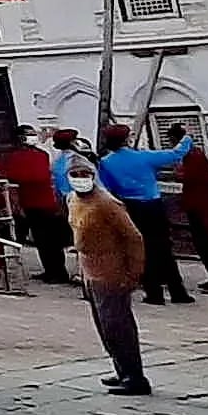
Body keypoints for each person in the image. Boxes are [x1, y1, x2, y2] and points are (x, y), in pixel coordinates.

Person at [66, 159, 152, 396]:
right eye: (75, 173)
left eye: (85, 173)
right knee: (104, 325)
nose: (80, 177)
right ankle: (121, 369)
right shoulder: (72, 199)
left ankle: (135, 376)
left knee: (118, 324)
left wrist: (134, 272)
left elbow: (134, 238)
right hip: (89, 270)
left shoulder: (107, 203)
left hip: (112, 271)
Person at [92, 125, 192, 306]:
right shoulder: (144, 157)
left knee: (140, 249)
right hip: (153, 206)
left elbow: (107, 188)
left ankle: (154, 293)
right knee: (163, 249)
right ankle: (178, 292)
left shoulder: (106, 162)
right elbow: (176, 153)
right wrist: (186, 137)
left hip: (131, 207)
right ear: (127, 139)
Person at [0, 132, 70, 284]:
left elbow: (14, 183)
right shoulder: (42, 155)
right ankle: (56, 271)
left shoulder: (17, 158)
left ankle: (54, 272)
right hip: (47, 201)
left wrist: (17, 206)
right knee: (50, 240)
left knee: (43, 239)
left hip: (33, 202)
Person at [171, 129, 208, 294]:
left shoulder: (193, 157)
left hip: (200, 205)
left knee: (207, 243)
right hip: (196, 203)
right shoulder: (194, 155)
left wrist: (176, 167)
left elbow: (183, 176)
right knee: (202, 243)